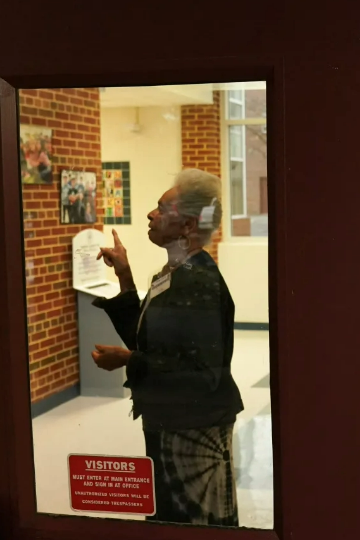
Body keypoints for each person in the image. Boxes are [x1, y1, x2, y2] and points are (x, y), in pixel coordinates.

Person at [90, 169, 244, 526]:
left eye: (161, 208)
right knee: (169, 521)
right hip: (172, 419)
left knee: (197, 525)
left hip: (194, 426)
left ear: (188, 226)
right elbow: (147, 341)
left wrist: (130, 360)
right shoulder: (174, 274)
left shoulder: (199, 282)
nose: (150, 214)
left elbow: (202, 374)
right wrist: (125, 277)